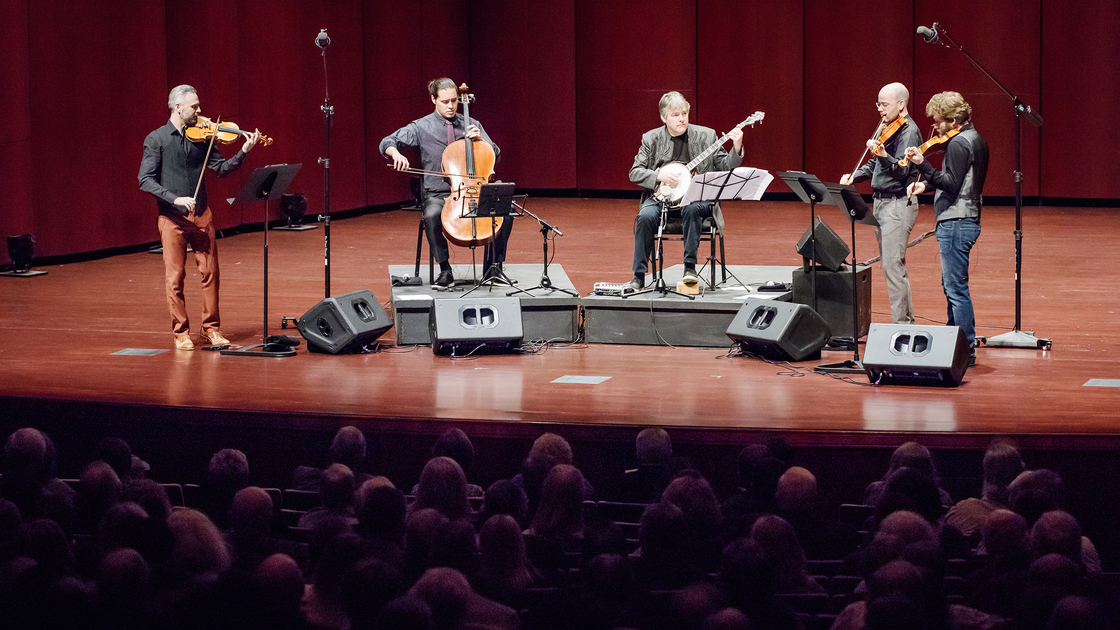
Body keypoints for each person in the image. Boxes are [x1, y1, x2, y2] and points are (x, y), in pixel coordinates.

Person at [138, 84, 260, 350]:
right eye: (195, 106)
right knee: (175, 277)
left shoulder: (203, 137)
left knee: (210, 272)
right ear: (178, 107)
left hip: (202, 215)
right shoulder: (156, 139)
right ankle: (181, 333)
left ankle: (211, 330)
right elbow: (144, 180)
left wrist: (243, 152)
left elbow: (221, 169)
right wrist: (175, 198)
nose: (200, 111)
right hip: (172, 218)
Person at [380, 77, 512, 288]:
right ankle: (445, 271)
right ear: (434, 99)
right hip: (438, 194)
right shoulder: (421, 127)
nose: (451, 106)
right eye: (445, 101)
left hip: (473, 190)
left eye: (454, 100)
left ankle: (494, 268)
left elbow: (495, 153)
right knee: (431, 215)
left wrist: (482, 141)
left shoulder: (472, 124)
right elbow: (388, 141)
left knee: (504, 206)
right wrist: (396, 154)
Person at [625, 91, 743, 291]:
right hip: (662, 197)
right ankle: (638, 276)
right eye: (675, 115)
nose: (682, 119)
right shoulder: (651, 139)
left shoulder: (707, 136)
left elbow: (724, 167)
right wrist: (658, 176)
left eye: (684, 113)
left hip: (696, 198)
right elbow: (634, 172)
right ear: (664, 118)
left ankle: (689, 268)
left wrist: (737, 146)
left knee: (692, 209)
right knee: (644, 216)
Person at [906, 91, 988, 364]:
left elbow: (952, 184)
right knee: (952, 285)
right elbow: (958, 178)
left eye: (939, 122)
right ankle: (956, 345)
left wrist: (922, 165)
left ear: (953, 120)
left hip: (956, 221)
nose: (936, 127)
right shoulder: (976, 139)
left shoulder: (957, 144)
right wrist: (926, 185)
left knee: (955, 289)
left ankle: (965, 351)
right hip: (967, 218)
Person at [840, 82, 923, 325]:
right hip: (881, 204)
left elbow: (901, 170)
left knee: (892, 267)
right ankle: (904, 322)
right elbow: (874, 164)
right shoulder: (886, 127)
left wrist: (884, 155)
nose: (879, 109)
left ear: (901, 104)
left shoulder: (908, 132)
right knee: (891, 266)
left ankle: (903, 326)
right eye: (878, 104)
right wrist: (855, 176)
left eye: (884, 104)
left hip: (898, 203)